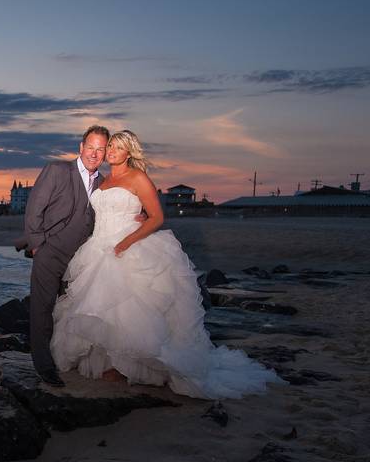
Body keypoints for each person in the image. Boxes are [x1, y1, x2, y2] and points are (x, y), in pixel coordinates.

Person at [50, 130, 282, 399]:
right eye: (110, 146)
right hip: (99, 246)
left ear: (129, 153)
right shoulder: (103, 180)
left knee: (128, 309)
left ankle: (127, 368)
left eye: (118, 147)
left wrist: (126, 242)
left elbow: (157, 217)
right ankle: (110, 363)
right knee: (100, 310)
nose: (111, 151)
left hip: (128, 246)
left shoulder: (138, 177)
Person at [16, 125, 111, 385]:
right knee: (42, 308)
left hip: (81, 259)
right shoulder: (58, 171)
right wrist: (37, 247)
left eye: (100, 149)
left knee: (70, 309)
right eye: (90, 147)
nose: (94, 153)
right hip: (50, 252)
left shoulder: (104, 184)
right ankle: (44, 366)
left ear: (105, 153)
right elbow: (34, 208)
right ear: (80, 148)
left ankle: (64, 355)